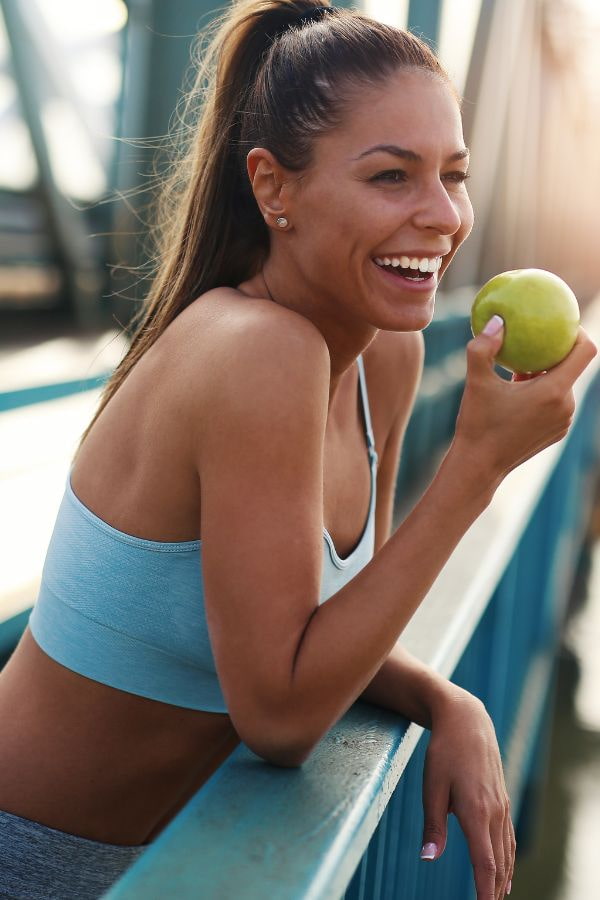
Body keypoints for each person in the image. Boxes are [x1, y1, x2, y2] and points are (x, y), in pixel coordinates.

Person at [0, 2, 595, 898]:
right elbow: (280, 712)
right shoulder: (256, 351)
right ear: (273, 187)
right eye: (392, 177)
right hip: (39, 862)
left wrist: (448, 701)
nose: (441, 216)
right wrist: (476, 466)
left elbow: (333, 636)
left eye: (454, 175)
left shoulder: (382, 358)